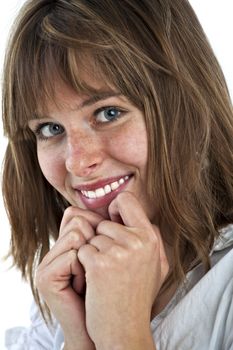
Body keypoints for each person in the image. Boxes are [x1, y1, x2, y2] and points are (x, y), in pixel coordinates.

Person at [2, 0, 233, 349]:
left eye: (108, 113)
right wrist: (80, 340)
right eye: (50, 128)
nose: (77, 163)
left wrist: (123, 336)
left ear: (187, 104)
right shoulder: (59, 303)